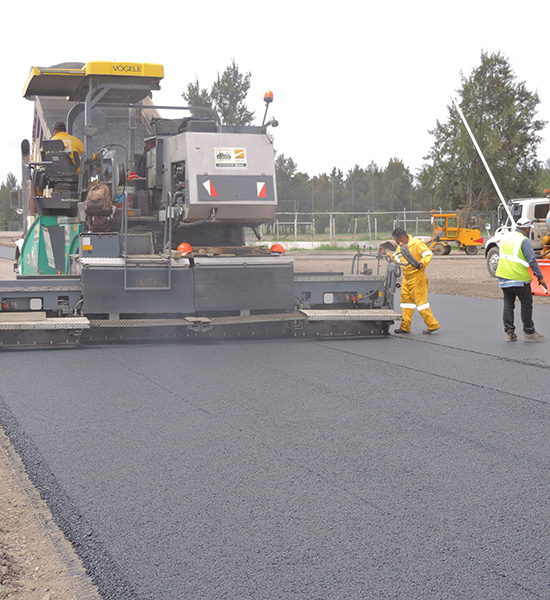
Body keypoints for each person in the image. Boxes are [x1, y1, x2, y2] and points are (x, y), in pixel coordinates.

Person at [495, 217, 545, 342]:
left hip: (504, 277)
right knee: (526, 304)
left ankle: (509, 333)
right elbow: (532, 260)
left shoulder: (507, 238)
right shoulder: (524, 240)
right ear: (527, 228)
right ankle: (529, 332)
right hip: (519, 278)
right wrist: (540, 277)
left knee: (508, 305)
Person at [391, 227, 440, 334]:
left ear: (402, 237)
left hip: (417, 277)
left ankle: (432, 324)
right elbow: (398, 258)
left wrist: (422, 264)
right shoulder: (401, 246)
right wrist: (389, 256)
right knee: (406, 302)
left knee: (421, 303)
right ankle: (405, 326)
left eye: (396, 240)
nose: (396, 242)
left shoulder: (417, 244)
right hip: (407, 277)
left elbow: (427, 254)